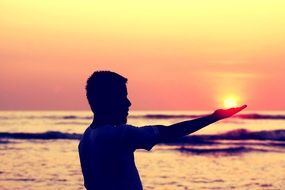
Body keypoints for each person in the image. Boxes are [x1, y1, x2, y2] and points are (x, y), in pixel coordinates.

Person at [78, 71, 247, 190]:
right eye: (123, 97)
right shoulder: (120, 135)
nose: (128, 103)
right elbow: (169, 131)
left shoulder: (85, 140)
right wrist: (214, 117)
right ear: (108, 100)